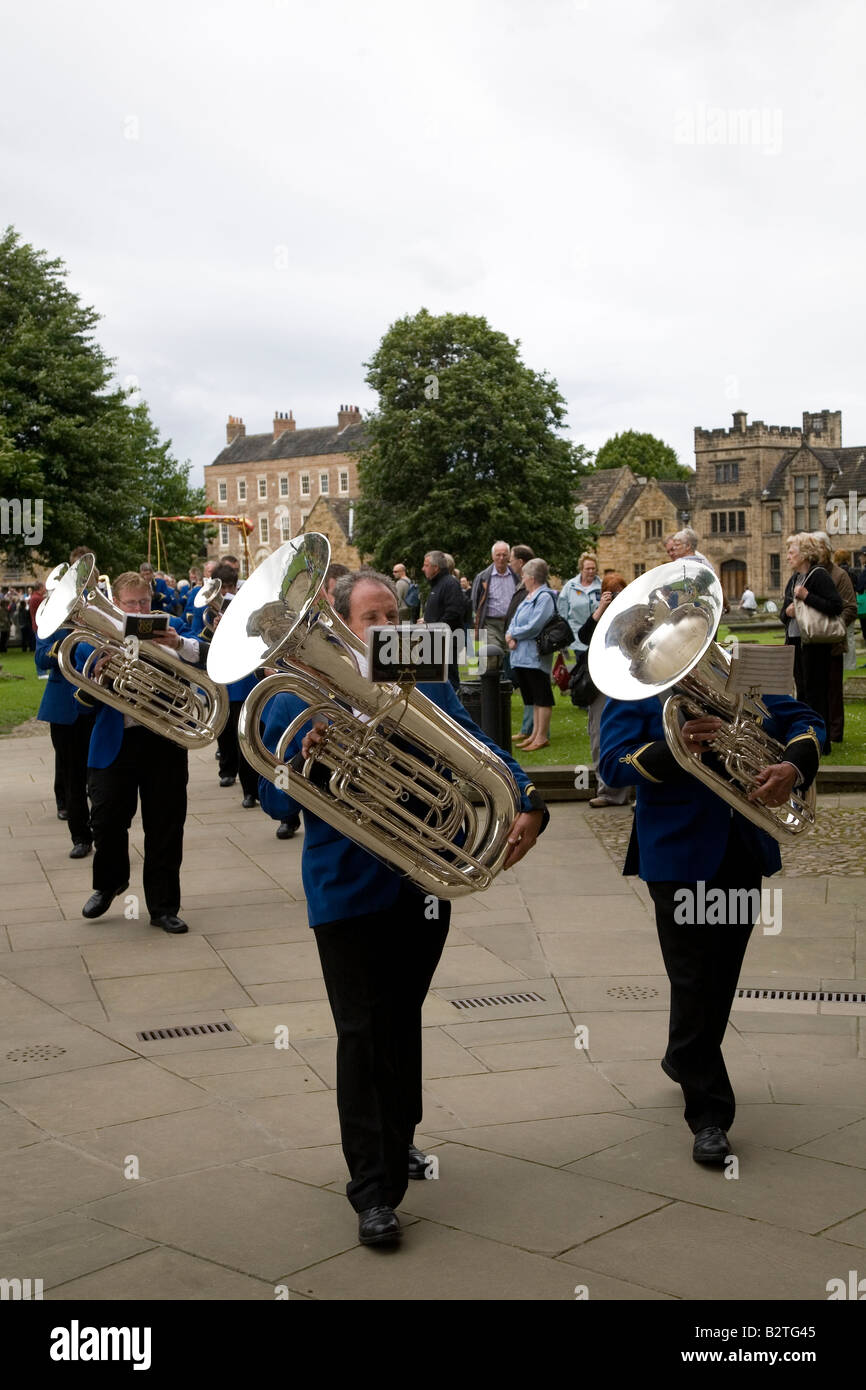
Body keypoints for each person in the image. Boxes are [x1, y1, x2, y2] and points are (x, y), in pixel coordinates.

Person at [257, 570, 547, 1245]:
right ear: (343, 625)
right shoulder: (300, 688)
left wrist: (527, 794)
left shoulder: (423, 671)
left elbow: (479, 746)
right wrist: (300, 759)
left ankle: (401, 1138)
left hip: (423, 881)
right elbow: (273, 800)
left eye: (395, 613)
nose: (389, 626)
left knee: (401, 1015)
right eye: (374, 618)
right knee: (362, 1030)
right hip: (346, 888)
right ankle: (372, 1190)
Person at [599, 683, 824, 1166]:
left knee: (719, 979)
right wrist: (675, 746)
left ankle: (683, 1055)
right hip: (676, 853)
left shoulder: (736, 680)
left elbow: (807, 722)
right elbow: (612, 763)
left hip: (741, 847)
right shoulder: (636, 687)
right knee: (693, 976)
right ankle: (709, 1116)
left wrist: (792, 766)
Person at [75, 571, 208, 933]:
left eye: (144, 602)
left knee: (165, 824)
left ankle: (163, 907)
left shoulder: (173, 624)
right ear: (116, 603)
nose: (138, 608)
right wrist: (99, 676)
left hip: (163, 740)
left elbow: (208, 658)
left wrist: (177, 643)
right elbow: (83, 703)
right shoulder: (98, 637)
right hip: (115, 741)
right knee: (105, 820)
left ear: (152, 601)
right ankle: (109, 883)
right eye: (131, 603)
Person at [780, 532, 843, 756]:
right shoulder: (793, 579)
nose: (787, 556)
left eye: (791, 552)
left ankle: (821, 743)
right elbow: (784, 614)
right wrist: (787, 613)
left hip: (815, 645)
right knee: (802, 694)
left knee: (817, 694)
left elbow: (836, 606)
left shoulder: (819, 576)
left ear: (805, 554)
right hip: (796, 643)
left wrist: (807, 597)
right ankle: (805, 739)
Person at [575, 572, 630, 807]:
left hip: (625, 682)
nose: (616, 597)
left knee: (629, 735)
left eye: (619, 591)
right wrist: (601, 609)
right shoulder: (599, 616)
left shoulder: (633, 612)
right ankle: (606, 790)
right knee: (599, 734)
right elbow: (584, 636)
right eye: (611, 592)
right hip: (600, 686)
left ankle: (630, 790)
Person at [507, 558, 556, 751]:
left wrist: (513, 635)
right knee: (533, 697)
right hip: (521, 655)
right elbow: (514, 620)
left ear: (533, 578)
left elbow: (536, 625)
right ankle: (535, 734)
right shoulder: (528, 596)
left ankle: (541, 736)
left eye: (524, 575)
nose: (523, 578)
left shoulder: (544, 597)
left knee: (542, 696)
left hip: (535, 656)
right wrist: (509, 635)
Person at [812, 534, 857, 745]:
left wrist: (832, 628)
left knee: (833, 691)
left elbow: (850, 608)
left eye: (820, 548)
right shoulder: (807, 574)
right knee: (813, 690)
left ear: (828, 550)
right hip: (810, 644)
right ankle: (816, 731)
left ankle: (835, 733)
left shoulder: (840, 575)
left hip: (832, 643)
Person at [421, 550, 464, 689]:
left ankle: (452, 710)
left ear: (436, 567)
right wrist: (426, 622)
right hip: (435, 640)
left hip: (447, 641)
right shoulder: (437, 584)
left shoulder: (450, 584)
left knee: (449, 680)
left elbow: (453, 613)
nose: (423, 568)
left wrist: (432, 626)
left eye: (426, 565)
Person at [557, 553, 601, 655]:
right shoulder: (569, 587)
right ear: (581, 569)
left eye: (593, 568)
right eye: (587, 569)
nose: (591, 571)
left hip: (596, 640)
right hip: (575, 641)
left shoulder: (602, 586)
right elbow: (562, 615)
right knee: (576, 670)